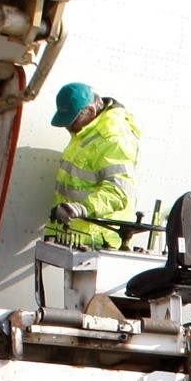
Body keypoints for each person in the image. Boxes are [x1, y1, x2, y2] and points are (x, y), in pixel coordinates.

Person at [43, 83, 143, 254]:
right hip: (74, 236)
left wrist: (80, 208)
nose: (68, 126)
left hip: (97, 240)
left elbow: (119, 192)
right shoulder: (86, 130)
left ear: (90, 111)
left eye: (72, 120)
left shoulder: (113, 139)